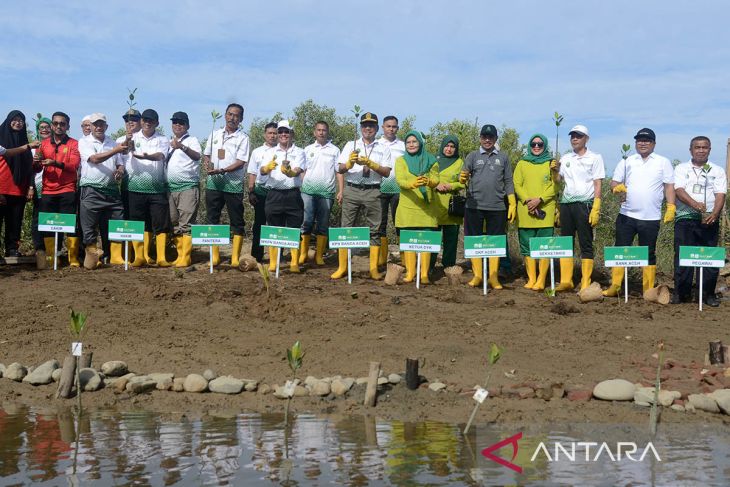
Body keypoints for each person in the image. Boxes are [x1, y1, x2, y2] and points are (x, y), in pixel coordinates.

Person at [604, 128, 676, 296]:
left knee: (648, 252)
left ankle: (648, 289)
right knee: (620, 250)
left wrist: (671, 206)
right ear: (636, 143)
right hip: (626, 215)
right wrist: (617, 188)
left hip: (650, 218)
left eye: (647, 140)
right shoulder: (627, 161)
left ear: (654, 143)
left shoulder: (662, 162)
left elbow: (669, 186)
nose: (643, 143)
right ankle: (615, 286)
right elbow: (614, 182)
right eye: (639, 140)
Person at [331, 112, 392, 280]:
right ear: (360, 127)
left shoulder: (383, 148)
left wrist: (372, 164)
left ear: (377, 128)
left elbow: (386, 172)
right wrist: (349, 163)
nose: (368, 128)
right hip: (352, 189)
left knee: (375, 230)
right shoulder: (351, 144)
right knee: (346, 228)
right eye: (365, 125)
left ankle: (373, 268)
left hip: (373, 190)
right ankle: (342, 267)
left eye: (371, 125)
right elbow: (340, 169)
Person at [671, 136, 727, 307]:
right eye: (697, 147)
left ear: (710, 150)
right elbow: (679, 190)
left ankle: (708, 294)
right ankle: (682, 293)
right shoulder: (681, 168)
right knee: (683, 257)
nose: (701, 150)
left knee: (708, 258)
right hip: (685, 219)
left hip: (709, 219)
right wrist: (695, 205)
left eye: (705, 147)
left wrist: (715, 213)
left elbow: (720, 194)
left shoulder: (717, 170)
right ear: (691, 150)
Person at [459, 124, 516, 289]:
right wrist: (462, 178)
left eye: (491, 137)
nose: (487, 140)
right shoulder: (472, 156)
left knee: (496, 242)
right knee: (473, 240)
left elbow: (508, 181)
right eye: (484, 136)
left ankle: (493, 276)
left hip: (497, 206)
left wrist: (512, 202)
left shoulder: (504, 157)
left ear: (496, 139)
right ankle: (477, 275)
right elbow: (463, 175)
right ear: (480, 138)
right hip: (473, 205)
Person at [550, 124, 605, 291]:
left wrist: (596, 206)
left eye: (579, 136)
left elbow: (597, 183)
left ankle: (586, 281)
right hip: (566, 204)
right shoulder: (566, 158)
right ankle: (566, 280)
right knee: (566, 242)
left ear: (586, 139)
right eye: (572, 136)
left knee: (585, 243)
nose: (575, 138)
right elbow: (558, 181)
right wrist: (554, 171)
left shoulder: (595, 158)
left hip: (585, 204)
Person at [202, 103, 249, 267]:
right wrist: (207, 165)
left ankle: (235, 258)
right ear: (225, 115)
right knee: (212, 218)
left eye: (236, 115)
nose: (232, 118)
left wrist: (223, 170)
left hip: (233, 185)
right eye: (230, 114)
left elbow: (241, 162)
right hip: (213, 184)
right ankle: (214, 257)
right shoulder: (214, 133)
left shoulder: (243, 138)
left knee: (237, 221)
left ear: (241, 119)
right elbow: (206, 155)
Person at [77, 113, 127, 267]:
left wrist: (120, 170)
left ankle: (115, 257)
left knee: (116, 223)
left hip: (111, 190)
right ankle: (92, 260)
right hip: (91, 189)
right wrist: (116, 150)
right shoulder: (84, 142)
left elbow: (120, 163)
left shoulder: (112, 142)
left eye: (101, 124)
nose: (98, 127)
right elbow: (94, 159)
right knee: (89, 226)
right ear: (90, 126)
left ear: (106, 127)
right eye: (95, 124)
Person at [126, 109, 172, 267]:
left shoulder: (163, 139)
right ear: (140, 121)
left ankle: (161, 258)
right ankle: (139, 257)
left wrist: (146, 156)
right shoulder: (132, 137)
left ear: (157, 123)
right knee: (138, 223)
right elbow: (124, 150)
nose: (147, 123)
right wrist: (127, 140)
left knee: (160, 224)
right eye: (145, 120)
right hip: (135, 188)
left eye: (151, 120)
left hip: (157, 189)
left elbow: (161, 156)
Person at [36, 112, 81, 267]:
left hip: (67, 189)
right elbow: (36, 168)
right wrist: (36, 162)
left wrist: (55, 163)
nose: (59, 126)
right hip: (48, 190)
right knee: (48, 225)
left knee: (69, 224)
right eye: (56, 123)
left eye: (62, 123)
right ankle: (52, 257)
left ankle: (73, 258)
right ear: (52, 125)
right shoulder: (43, 144)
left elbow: (74, 165)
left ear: (67, 126)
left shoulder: (74, 144)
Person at [260, 120, 306, 272]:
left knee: (294, 228)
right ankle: (274, 262)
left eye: (286, 131)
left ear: (292, 134)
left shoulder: (299, 151)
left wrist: (291, 172)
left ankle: (294, 263)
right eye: (281, 132)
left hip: (293, 194)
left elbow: (299, 169)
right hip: (274, 194)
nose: (283, 134)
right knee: (274, 228)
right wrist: (267, 168)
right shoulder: (270, 152)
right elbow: (261, 170)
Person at [513, 133, 557, 291]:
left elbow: (556, 186)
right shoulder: (522, 163)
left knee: (544, 247)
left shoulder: (551, 164)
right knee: (526, 246)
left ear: (545, 145)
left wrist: (540, 199)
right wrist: (527, 200)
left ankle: (541, 279)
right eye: (533, 144)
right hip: (526, 212)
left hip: (545, 211)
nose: (536, 147)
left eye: (540, 144)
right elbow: (517, 184)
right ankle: (531, 278)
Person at [395, 130, 439, 284]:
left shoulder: (431, 160)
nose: (411, 144)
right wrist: (412, 184)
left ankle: (424, 274)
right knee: (408, 240)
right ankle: (410, 272)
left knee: (425, 240)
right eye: (408, 142)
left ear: (420, 143)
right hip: (407, 206)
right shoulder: (401, 161)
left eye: (414, 141)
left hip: (426, 208)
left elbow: (436, 179)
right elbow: (400, 180)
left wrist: (429, 181)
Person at [299, 121, 342, 266]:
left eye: (324, 130)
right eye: (319, 130)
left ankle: (319, 255)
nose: (321, 132)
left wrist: (341, 190)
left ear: (327, 132)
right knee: (306, 223)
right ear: (314, 132)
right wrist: (303, 183)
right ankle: (303, 254)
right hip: (308, 192)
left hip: (327, 192)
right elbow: (302, 170)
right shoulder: (307, 149)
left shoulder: (335, 150)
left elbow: (339, 171)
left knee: (323, 225)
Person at [0, 111, 40, 258]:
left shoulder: (24, 141)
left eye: (21, 120)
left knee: (15, 221)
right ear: (8, 120)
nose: (18, 122)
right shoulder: (0, 137)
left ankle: (12, 249)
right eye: (15, 120)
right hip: (2, 189)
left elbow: (29, 168)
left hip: (18, 189)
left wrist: (30, 186)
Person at [166, 111, 201, 268]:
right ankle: (180, 256)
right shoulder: (168, 142)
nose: (177, 125)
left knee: (186, 224)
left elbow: (197, 156)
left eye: (181, 123)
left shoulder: (192, 140)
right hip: (170, 189)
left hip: (188, 187)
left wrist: (181, 146)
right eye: (175, 122)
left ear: (187, 125)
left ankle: (185, 258)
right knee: (174, 223)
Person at [377, 115, 405, 265]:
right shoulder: (376, 144)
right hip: (379, 189)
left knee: (399, 224)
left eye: (394, 126)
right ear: (383, 127)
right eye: (388, 126)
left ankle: (404, 258)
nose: (391, 129)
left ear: (397, 128)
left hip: (399, 190)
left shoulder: (403, 146)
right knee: (380, 224)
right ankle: (382, 259)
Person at [247, 122, 277, 263]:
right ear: (265, 134)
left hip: (277, 192)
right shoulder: (257, 151)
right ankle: (257, 255)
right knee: (259, 223)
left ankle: (277, 256)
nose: (272, 135)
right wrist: (251, 191)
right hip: (260, 191)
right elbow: (252, 172)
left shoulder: (283, 151)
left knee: (276, 224)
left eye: (275, 133)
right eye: (270, 133)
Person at [433, 135, 465, 269]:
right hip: (434, 205)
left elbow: (463, 182)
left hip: (452, 205)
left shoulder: (460, 162)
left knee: (451, 239)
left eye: (453, 147)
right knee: (433, 239)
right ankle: (429, 267)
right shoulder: (434, 161)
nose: (449, 149)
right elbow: (426, 178)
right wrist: (436, 185)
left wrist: (451, 186)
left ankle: (449, 267)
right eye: (447, 146)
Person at [30, 117, 52, 259]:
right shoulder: (33, 148)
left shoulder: (55, 145)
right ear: (38, 130)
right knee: (38, 218)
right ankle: (39, 249)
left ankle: (52, 250)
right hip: (38, 187)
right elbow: (29, 171)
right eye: (41, 127)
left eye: (47, 126)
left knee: (52, 219)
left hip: (53, 188)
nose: (44, 129)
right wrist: (31, 187)